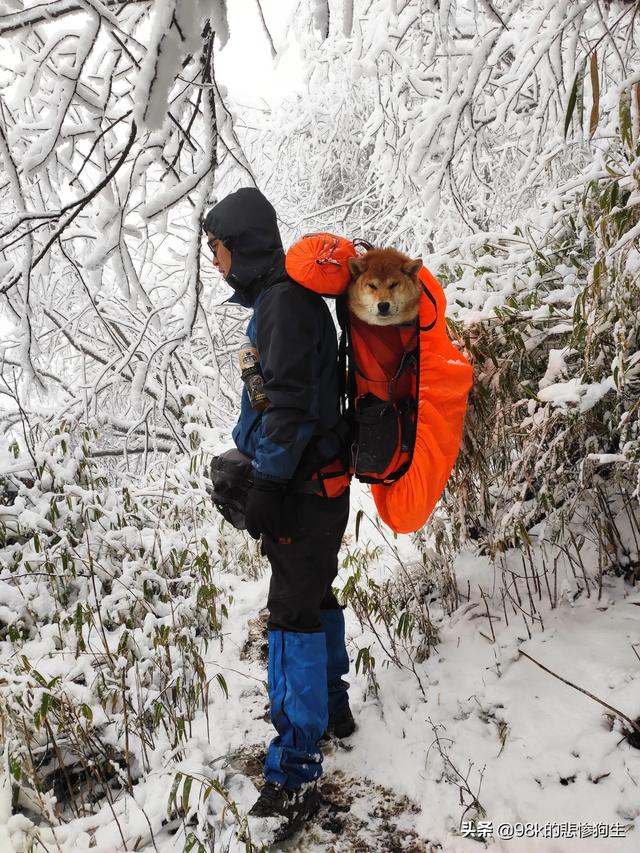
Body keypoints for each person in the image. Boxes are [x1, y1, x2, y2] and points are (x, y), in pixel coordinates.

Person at [203, 187, 355, 840]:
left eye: (218, 248)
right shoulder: (280, 304)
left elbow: (289, 409)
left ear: (244, 246)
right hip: (317, 484)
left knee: (291, 617)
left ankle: (295, 770)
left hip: (304, 489)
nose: (214, 261)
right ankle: (333, 712)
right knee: (313, 596)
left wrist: (263, 485)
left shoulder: (284, 308)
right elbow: (282, 399)